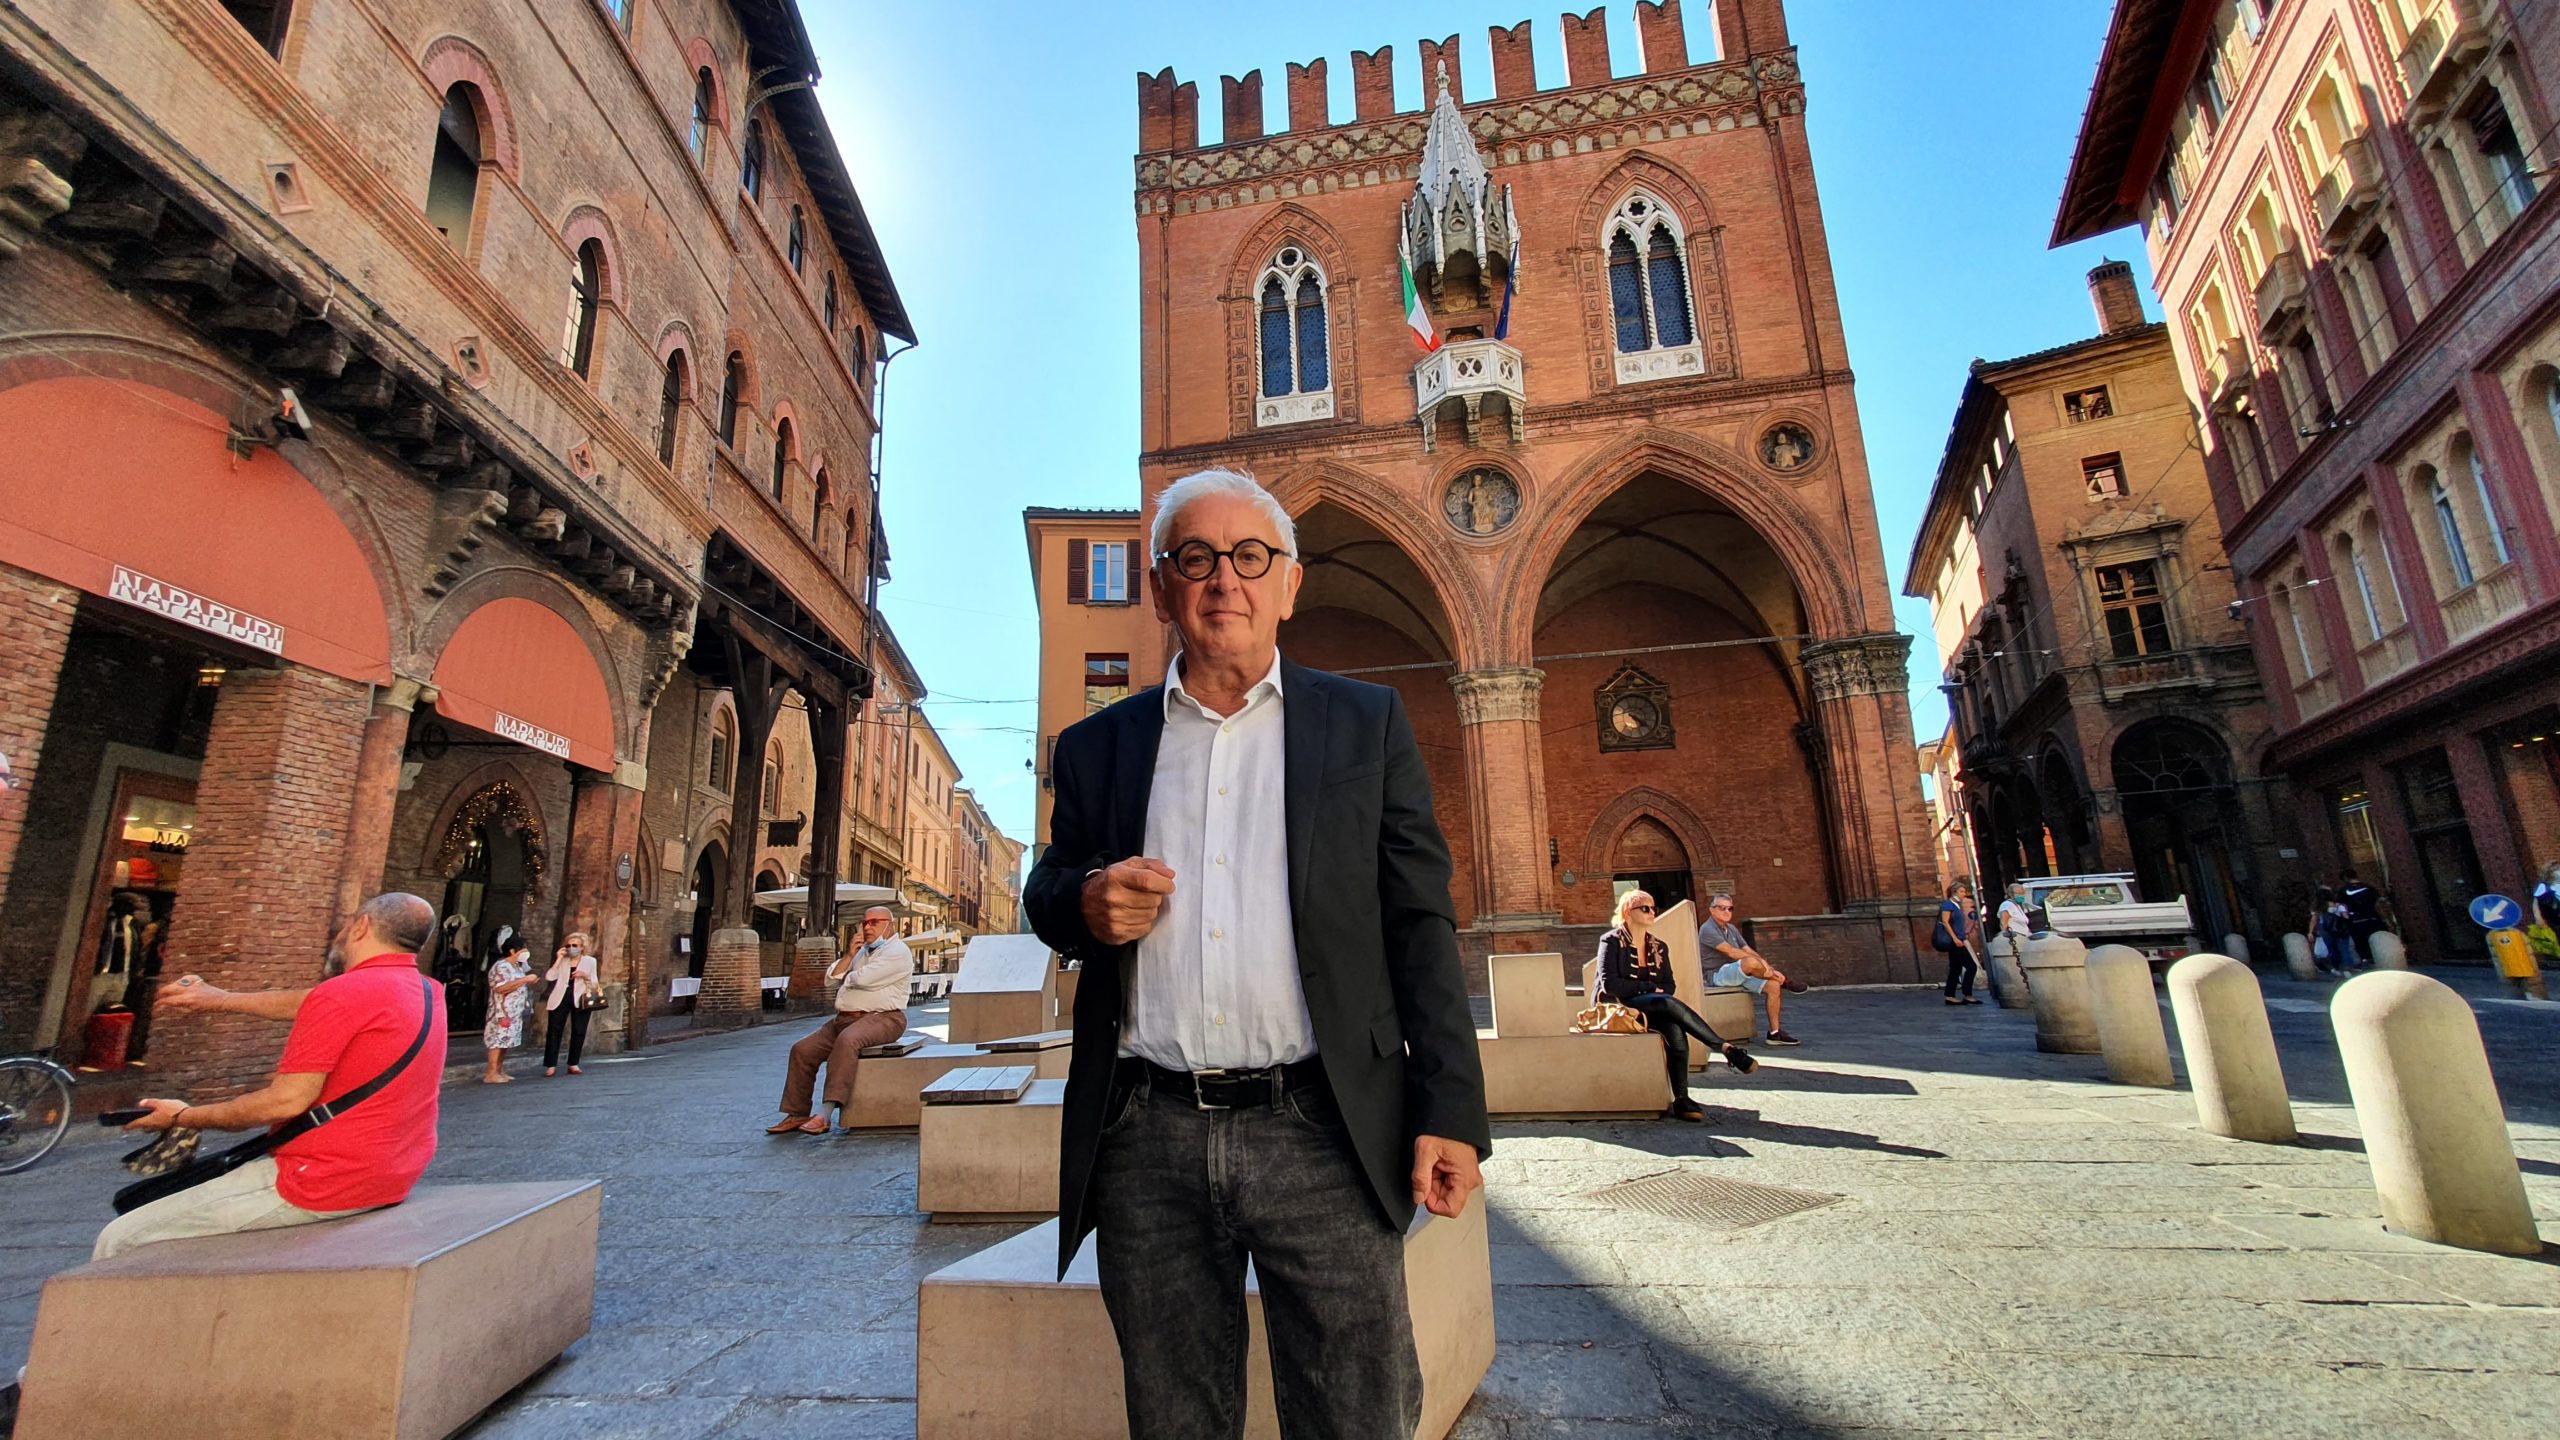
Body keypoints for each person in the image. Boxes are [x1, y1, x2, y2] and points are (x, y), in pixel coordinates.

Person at [1025, 468, 1489, 1440]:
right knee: (1175, 1419)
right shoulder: (1097, 747)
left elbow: (1419, 923)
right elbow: (1048, 887)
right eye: (1195, 558)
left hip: (1320, 1128)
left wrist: (1450, 1111)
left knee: (1356, 1416)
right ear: (1161, 587)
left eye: (1249, 557)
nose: (1223, 580)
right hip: (1146, 1140)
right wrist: (1083, 901)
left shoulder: (1365, 725)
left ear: (1289, 582)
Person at [101, 892, 445, 1260]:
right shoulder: (427, 991)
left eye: (347, 922)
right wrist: (216, 999)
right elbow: (310, 1001)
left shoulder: (343, 994)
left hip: (319, 1179)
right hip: (394, 1172)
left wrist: (184, 1117)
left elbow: (285, 1101)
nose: (341, 932)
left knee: (121, 1237)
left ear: (361, 926)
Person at [1594, 888, 1755, 1122]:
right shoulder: (1611, 941)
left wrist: (1651, 991)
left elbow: (1669, 985)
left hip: (1654, 1007)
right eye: (1645, 908)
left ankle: (1682, 1098)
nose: (1651, 912)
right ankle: (1723, 1047)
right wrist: (1648, 988)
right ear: (1628, 912)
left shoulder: (1659, 946)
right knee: (1663, 1002)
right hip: (1620, 1008)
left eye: (1653, 908)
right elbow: (1611, 986)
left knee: (1675, 1029)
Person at [768, 906, 914, 1135]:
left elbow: (865, 980)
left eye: (874, 922)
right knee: (802, 1050)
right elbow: (829, 979)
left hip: (884, 1018)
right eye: (864, 922)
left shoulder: (898, 952)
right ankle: (796, 1113)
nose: (867, 927)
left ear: (890, 924)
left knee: (848, 1041)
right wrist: (848, 957)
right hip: (844, 1018)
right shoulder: (861, 951)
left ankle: (825, 1114)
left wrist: (844, 975)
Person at [1697, 893, 1807, 1045]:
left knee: (1773, 986)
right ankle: (1784, 982)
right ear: (1711, 910)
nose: (1727, 912)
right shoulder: (1707, 929)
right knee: (1749, 962)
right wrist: (1767, 969)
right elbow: (1731, 952)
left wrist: (1767, 966)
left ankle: (1774, 1034)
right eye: (1722, 908)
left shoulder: (1731, 929)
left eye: (1730, 908)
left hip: (1739, 972)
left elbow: (1747, 949)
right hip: (1718, 974)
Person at [541, 932, 600, 1076]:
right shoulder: (563, 960)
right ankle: (551, 1065)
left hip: (581, 998)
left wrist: (584, 976)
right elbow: (550, 976)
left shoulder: (590, 961)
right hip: (560, 998)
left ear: (581, 947)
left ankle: (573, 1063)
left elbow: (595, 983)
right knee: (554, 1031)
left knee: (579, 1031)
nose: (571, 948)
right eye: (568, 945)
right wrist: (558, 958)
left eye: (575, 945)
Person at [481, 939, 536, 1083]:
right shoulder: (501, 966)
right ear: (513, 950)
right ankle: (491, 1073)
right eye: (523, 949)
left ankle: (499, 1070)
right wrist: (524, 980)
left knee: (506, 1041)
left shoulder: (517, 967)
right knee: (497, 1040)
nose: (526, 952)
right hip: (501, 1010)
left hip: (514, 1012)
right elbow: (500, 987)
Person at [1935, 881, 1981, 1005]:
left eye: (1964, 891)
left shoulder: (1956, 905)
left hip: (1959, 939)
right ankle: (1967, 994)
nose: (1964, 894)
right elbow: (1945, 922)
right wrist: (1955, 938)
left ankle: (1950, 995)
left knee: (1955, 968)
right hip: (1955, 941)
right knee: (1971, 966)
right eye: (1961, 891)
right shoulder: (1948, 904)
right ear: (1954, 892)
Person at [2339, 872, 2388, 968]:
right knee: (2375, 937)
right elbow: (2378, 903)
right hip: (2372, 916)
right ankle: (2378, 957)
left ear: (2345, 878)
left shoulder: (2344, 890)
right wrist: (2384, 917)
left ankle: (2365, 959)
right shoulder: (2369, 887)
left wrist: (2346, 917)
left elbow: (2342, 906)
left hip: (2355, 919)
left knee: (2360, 940)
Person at [1996, 881, 2036, 947]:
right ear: (2011, 894)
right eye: (2019, 894)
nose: (2022, 896)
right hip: (2015, 941)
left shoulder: (2017, 906)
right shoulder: (2007, 905)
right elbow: (2003, 924)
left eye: (2023, 894)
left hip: (2024, 940)